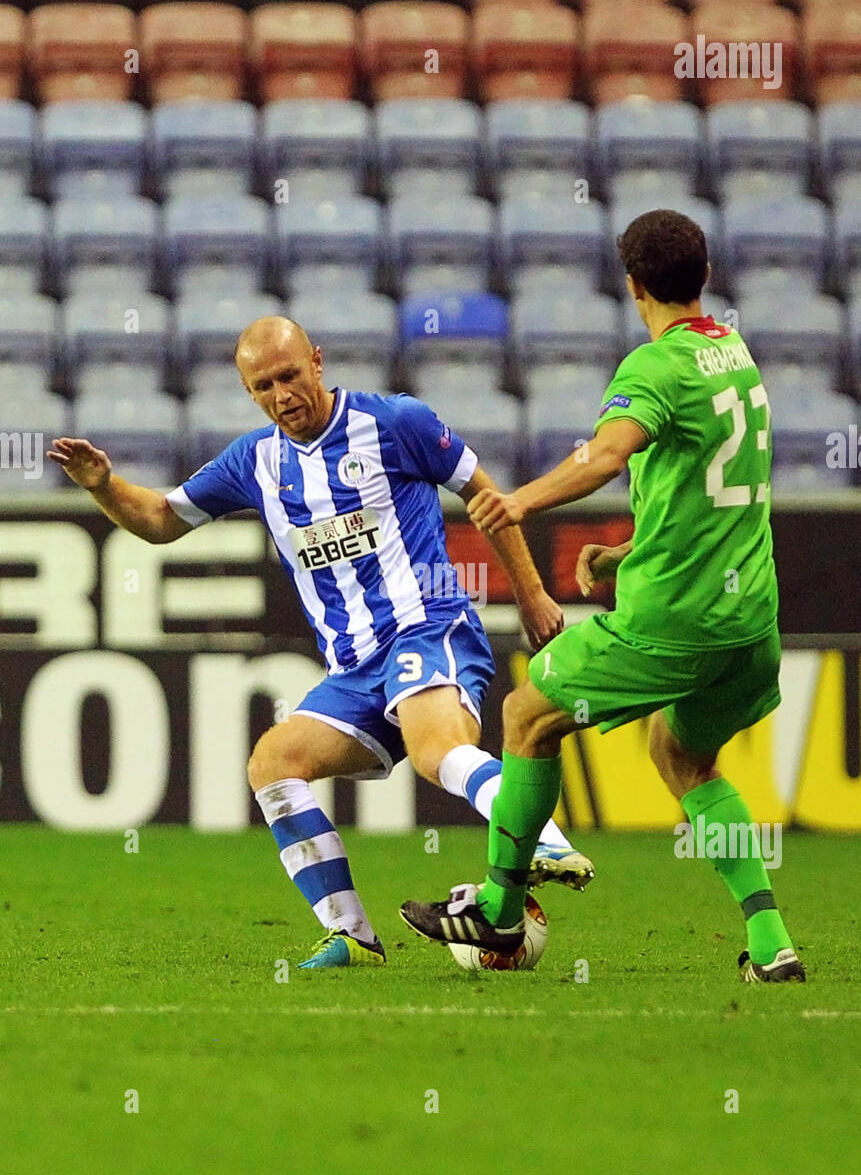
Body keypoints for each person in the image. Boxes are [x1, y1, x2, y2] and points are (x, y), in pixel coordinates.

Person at [49, 315, 593, 969]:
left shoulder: (396, 423)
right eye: (263, 386)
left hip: (428, 625)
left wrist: (532, 594)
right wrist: (104, 486)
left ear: (317, 361)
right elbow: (162, 520)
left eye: (289, 376)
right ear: (249, 393)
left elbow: (485, 495)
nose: (281, 395)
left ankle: (549, 842)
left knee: (436, 752)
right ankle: (353, 936)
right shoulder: (255, 461)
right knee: (273, 765)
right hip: (356, 670)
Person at [401, 209, 804, 984]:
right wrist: (629, 549)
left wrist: (521, 502)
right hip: (751, 623)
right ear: (706, 276)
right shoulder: (735, 356)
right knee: (683, 757)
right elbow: (712, 489)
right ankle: (771, 942)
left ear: (631, 286)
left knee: (525, 716)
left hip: (675, 623)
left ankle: (498, 908)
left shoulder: (654, 369)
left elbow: (607, 453)